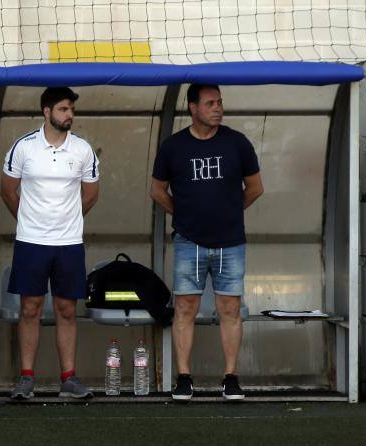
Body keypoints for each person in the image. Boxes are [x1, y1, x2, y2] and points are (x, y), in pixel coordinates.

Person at [150, 84, 264, 402]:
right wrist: (182, 214)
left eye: (220, 102)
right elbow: (157, 191)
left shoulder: (237, 143)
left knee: (230, 309)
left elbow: (255, 188)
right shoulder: (173, 147)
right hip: (189, 242)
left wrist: (230, 212)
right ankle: (184, 378)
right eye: (210, 103)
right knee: (185, 308)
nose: (218, 108)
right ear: (193, 108)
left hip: (231, 242)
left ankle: (231, 378)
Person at [0, 87, 99, 400]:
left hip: (69, 243)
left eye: (71, 110)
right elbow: (8, 191)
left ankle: (68, 378)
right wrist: (30, 220)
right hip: (31, 242)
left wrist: (67, 221)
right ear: (47, 111)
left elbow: (90, 195)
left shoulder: (82, 149)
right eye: (63, 109)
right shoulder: (23, 147)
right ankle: (26, 379)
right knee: (29, 308)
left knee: (67, 309)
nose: (69, 115)